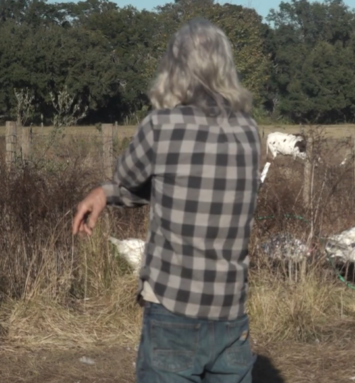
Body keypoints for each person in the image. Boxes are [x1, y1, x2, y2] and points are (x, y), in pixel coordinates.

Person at [72, 18, 259, 383]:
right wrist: (104, 194)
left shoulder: (162, 125)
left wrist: (104, 190)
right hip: (231, 314)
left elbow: (127, 177)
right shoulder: (250, 130)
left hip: (173, 311)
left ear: (175, 69)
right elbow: (182, 183)